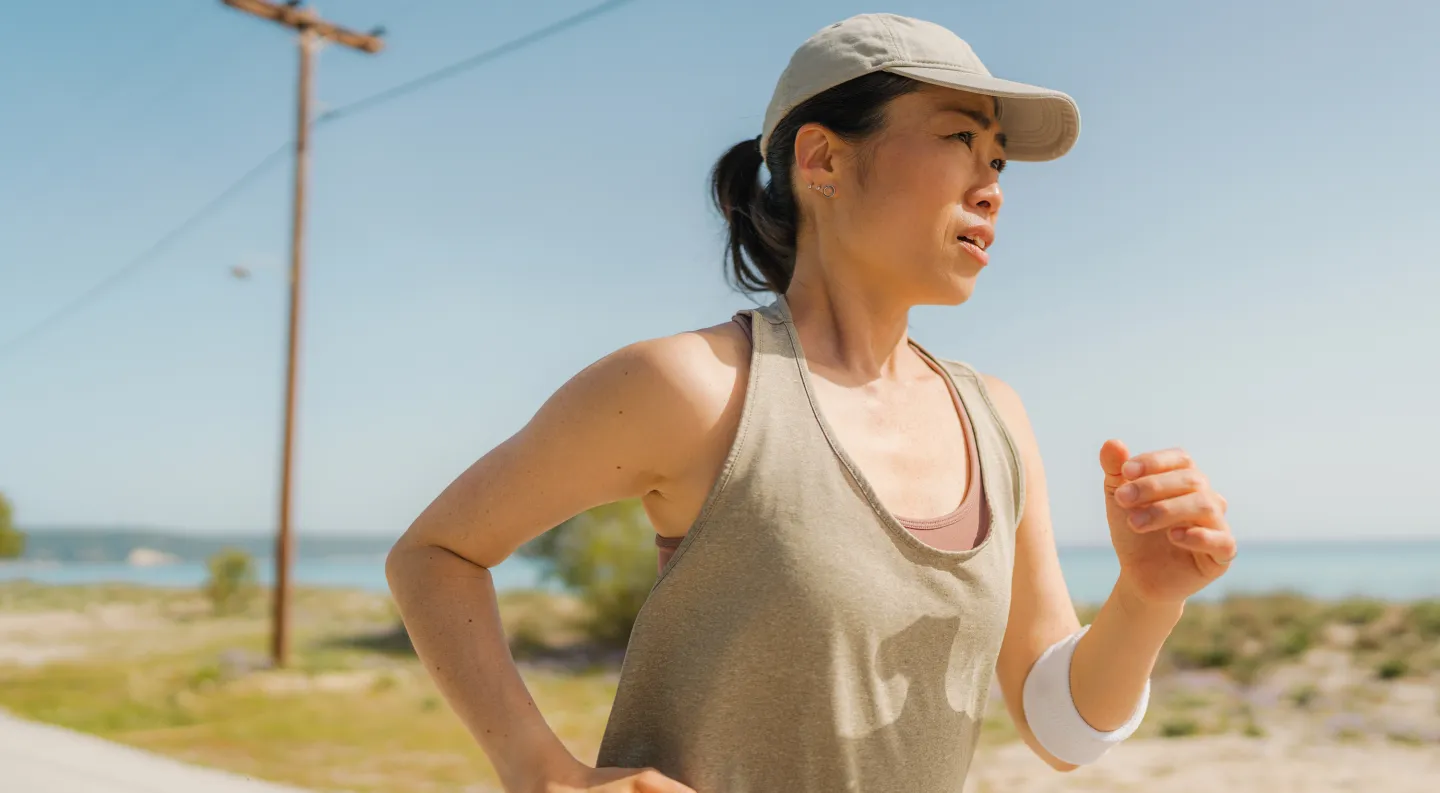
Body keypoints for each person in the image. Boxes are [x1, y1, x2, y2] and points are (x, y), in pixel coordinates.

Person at [386, 13, 1236, 793]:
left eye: (999, 160)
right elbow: (434, 553)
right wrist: (545, 772)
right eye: (959, 139)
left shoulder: (997, 417)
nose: (992, 186)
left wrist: (1148, 598)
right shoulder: (696, 387)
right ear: (823, 159)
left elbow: (1059, 728)